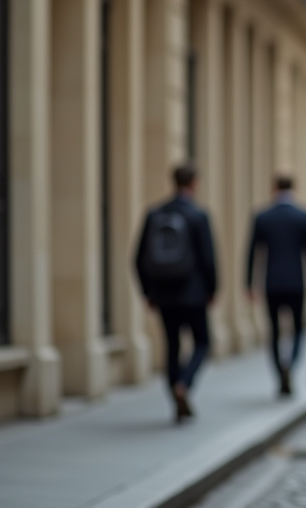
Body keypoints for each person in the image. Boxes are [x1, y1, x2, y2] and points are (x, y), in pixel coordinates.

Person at [135, 162, 218, 423]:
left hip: (164, 295)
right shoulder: (198, 215)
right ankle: (184, 383)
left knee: (172, 346)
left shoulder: (154, 213)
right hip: (193, 294)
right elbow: (208, 258)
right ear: (193, 183)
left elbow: (137, 258)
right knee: (202, 342)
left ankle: (175, 397)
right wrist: (213, 289)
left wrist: (148, 292)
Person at [246, 175, 306, 397]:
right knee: (299, 328)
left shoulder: (262, 216)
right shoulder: (303, 215)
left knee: (274, 331)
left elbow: (252, 252)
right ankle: (291, 363)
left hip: (271, 283)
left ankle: (280, 371)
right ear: (294, 188)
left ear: (273, 188)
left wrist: (249, 283)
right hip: (296, 283)